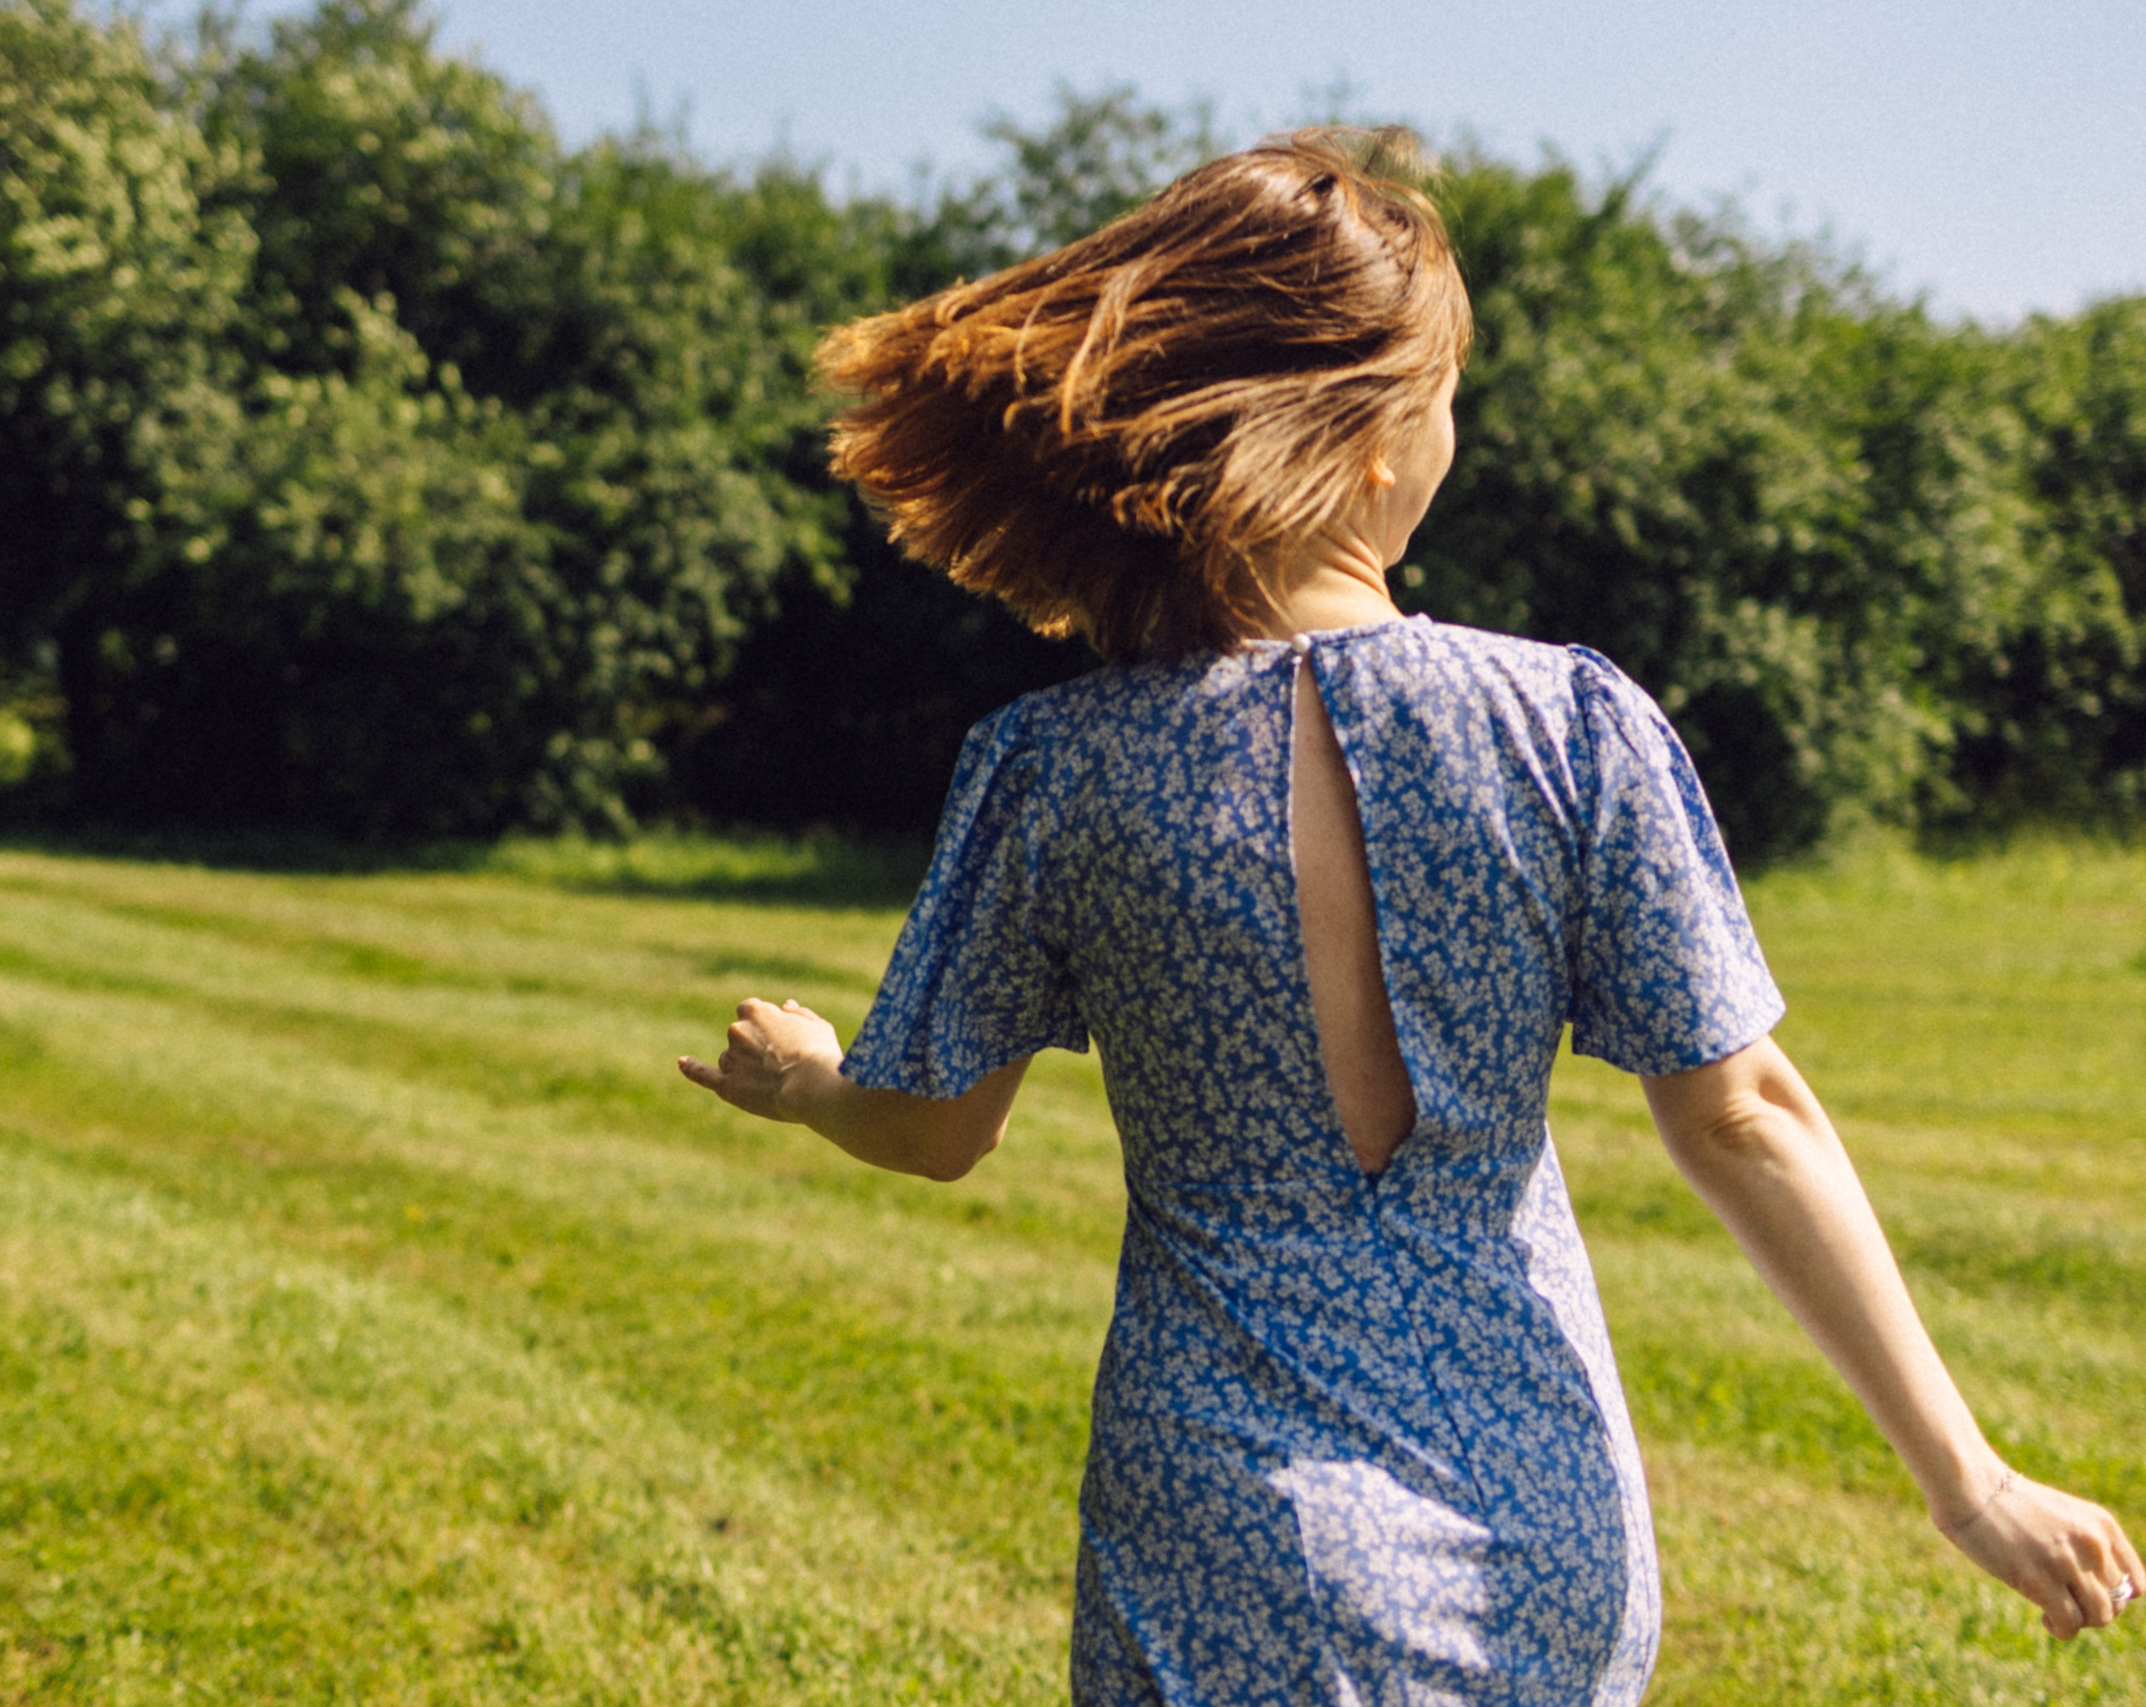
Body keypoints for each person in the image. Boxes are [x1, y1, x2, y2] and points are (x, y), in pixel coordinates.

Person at [676, 129, 2138, 1706]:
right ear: (1370, 441)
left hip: (1226, 1531)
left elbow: (936, 1129)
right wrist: (1972, 1484)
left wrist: (812, 1082)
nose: (1455, 430)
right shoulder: (1571, 724)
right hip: (1539, 1526)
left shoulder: (1053, 767)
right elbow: (1745, 1117)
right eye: (1444, 394)